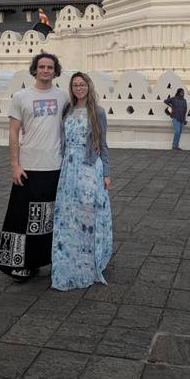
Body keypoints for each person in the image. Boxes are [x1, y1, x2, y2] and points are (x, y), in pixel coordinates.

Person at [0, 52, 69, 282]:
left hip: (55, 166)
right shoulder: (21, 97)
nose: (45, 70)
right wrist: (14, 165)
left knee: (46, 218)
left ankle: (40, 262)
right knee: (21, 216)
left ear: (55, 71)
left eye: (50, 67)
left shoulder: (64, 97)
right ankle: (19, 264)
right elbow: (13, 132)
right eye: (42, 66)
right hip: (28, 167)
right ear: (34, 69)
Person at [51, 72, 112, 291]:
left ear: (89, 86)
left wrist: (106, 173)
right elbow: (62, 140)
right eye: (75, 85)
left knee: (88, 214)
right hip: (68, 167)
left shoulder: (98, 112)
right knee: (69, 215)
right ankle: (69, 255)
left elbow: (103, 144)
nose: (79, 88)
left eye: (82, 84)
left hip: (88, 167)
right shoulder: (67, 110)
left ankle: (88, 260)